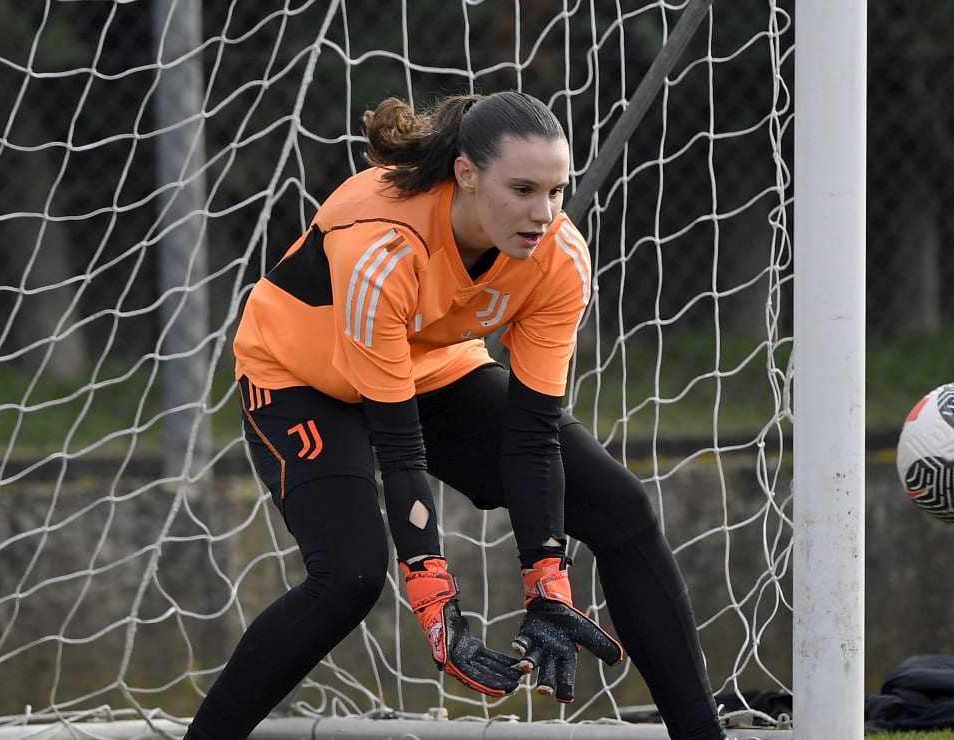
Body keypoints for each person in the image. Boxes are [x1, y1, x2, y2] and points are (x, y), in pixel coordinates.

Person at [184, 91, 726, 740]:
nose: (542, 213)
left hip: (429, 367)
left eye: (557, 191)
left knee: (622, 508)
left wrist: (547, 583)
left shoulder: (560, 258)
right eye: (522, 188)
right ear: (466, 175)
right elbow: (400, 450)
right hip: (303, 379)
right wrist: (437, 608)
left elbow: (532, 438)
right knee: (349, 577)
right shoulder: (382, 248)